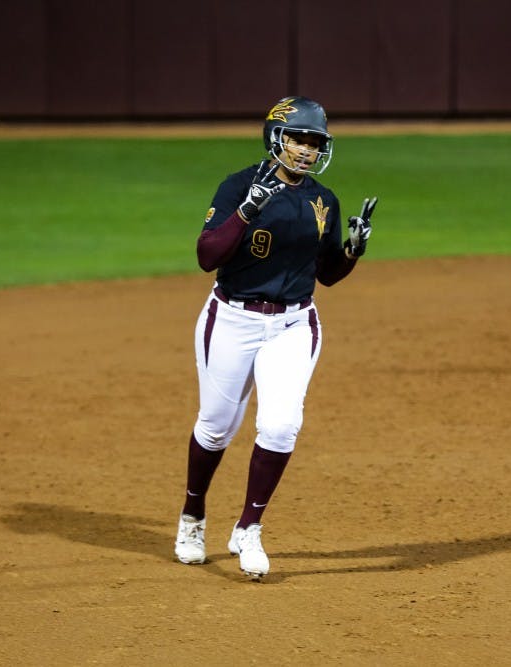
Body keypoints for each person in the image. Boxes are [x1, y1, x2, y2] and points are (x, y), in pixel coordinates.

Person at [173, 96, 378, 579]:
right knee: (217, 427)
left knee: (281, 426)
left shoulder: (323, 200)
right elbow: (207, 256)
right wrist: (244, 213)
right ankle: (192, 515)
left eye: (315, 142)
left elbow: (326, 274)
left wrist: (351, 251)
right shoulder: (238, 186)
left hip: (292, 324)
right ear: (275, 138)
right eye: (299, 139)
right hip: (231, 319)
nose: (307, 151)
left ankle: (249, 527)